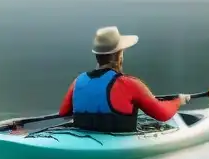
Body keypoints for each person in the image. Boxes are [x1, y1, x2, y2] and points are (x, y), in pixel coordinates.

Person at [57, 26, 189, 133]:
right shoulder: (130, 84)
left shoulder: (78, 81)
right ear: (118, 55)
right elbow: (163, 114)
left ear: (97, 55)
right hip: (114, 142)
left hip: (84, 137)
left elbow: (63, 112)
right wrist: (178, 101)